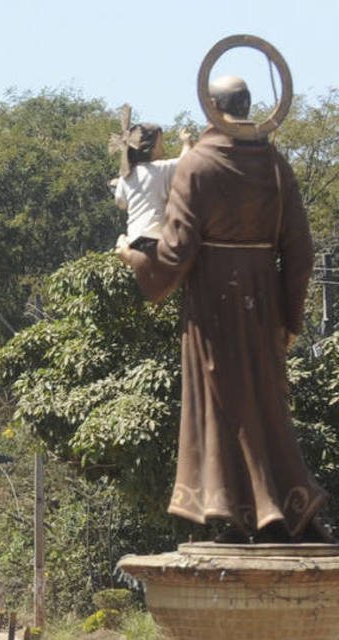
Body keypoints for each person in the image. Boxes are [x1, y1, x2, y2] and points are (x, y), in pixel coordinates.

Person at [116, 75, 330, 543]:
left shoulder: (198, 166)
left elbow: (173, 254)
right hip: (264, 303)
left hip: (213, 302)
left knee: (222, 404)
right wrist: (289, 319)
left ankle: (232, 515)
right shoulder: (276, 165)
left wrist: (133, 256)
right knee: (267, 405)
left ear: (211, 107)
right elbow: (300, 252)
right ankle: (286, 511)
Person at [110, 120, 193, 249]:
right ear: (151, 147)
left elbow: (121, 203)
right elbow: (186, 162)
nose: (163, 148)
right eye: (160, 144)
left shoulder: (125, 176)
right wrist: (186, 142)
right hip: (155, 239)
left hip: (133, 239)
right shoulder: (160, 169)